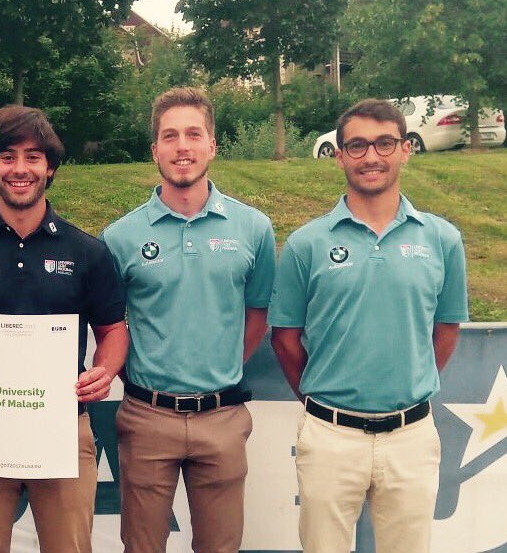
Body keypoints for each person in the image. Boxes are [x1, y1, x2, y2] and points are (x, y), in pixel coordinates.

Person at [0, 105, 129, 553]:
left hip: (64, 428)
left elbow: (113, 330)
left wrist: (105, 371)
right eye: (7, 156)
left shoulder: (87, 252)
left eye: (33, 157)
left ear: (49, 167)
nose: (20, 169)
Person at [269, 99, 469, 553]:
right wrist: (323, 398)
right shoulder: (306, 243)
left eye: (384, 144)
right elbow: (284, 338)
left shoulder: (442, 239)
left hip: (411, 437)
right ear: (339, 156)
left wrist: (409, 383)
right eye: (357, 146)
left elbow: (447, 329)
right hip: (330, 436)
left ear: (405, 149)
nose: (371, 157)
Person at [100, 86, 276, 553]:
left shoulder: (254, 228)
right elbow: (109, 327)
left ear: (212, 145)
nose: (183, 147)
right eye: (170, 136)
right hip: (146, 417)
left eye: (194, 135)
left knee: (221, 547)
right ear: (154, 149)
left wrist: (219, 368)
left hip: (222, 417)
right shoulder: (119, 237)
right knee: (142, 546)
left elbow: (257, 314)